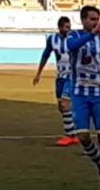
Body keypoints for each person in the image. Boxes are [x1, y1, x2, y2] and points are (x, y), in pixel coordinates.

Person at [53, 6, 100, 190]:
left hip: (99, 94)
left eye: (97, 19)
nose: (96, 22)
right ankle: (99, 163)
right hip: (80, 93)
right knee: (83, 136)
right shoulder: (73, 36)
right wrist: (91, 35)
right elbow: (70, 48)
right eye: (92, 19)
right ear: (83, 20)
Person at [33, 17, 78, 147]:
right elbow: (46, 55)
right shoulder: (52, 39)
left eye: (69, 27)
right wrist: (39, 73)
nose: (68, 30)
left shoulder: (74, 38)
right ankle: (74, 133)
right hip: (60, 76)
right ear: (60, 27)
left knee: (65, 104)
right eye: (66, 27)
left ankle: (69, 135)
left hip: (72, 75)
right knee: (61, 106)